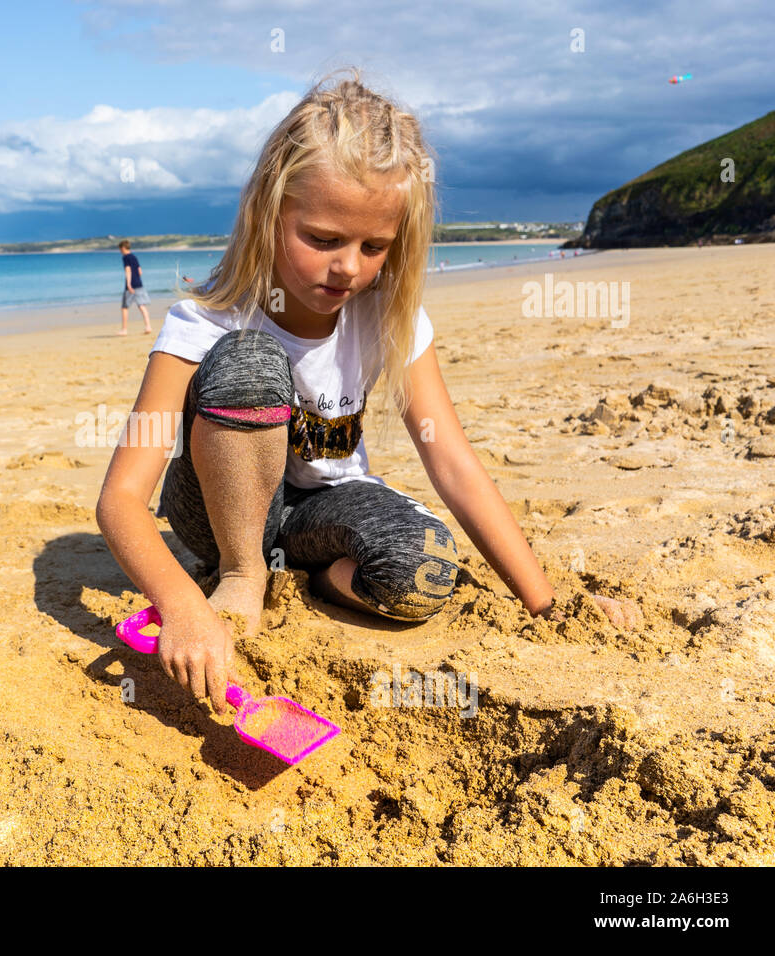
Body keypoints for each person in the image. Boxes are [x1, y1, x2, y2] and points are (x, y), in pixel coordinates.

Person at [95, 68, 641, 713]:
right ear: (269, 213)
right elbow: (121, 500)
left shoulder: (387, 317)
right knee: (248, 361)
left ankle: (301, 576)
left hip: (323, 510)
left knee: (426, 573)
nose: (348, 266)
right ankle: (245, 574)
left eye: (374, 245)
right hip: (217, 514)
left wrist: (546, 603)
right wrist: (182, 606)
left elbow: (453, 464)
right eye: (322, 239)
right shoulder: (206, 322)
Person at [118, 240, 153, 335]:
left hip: (130, 286)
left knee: (125, 307)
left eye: (120, 249)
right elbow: (140, 271)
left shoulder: (125, 257)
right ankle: (148, 326)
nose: (120, 251)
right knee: (142, 306)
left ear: (123, 248)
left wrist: (129, 284)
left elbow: (128, 270)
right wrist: (136, 279)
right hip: (139, 284)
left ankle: (124, 329)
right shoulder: (134, 257)